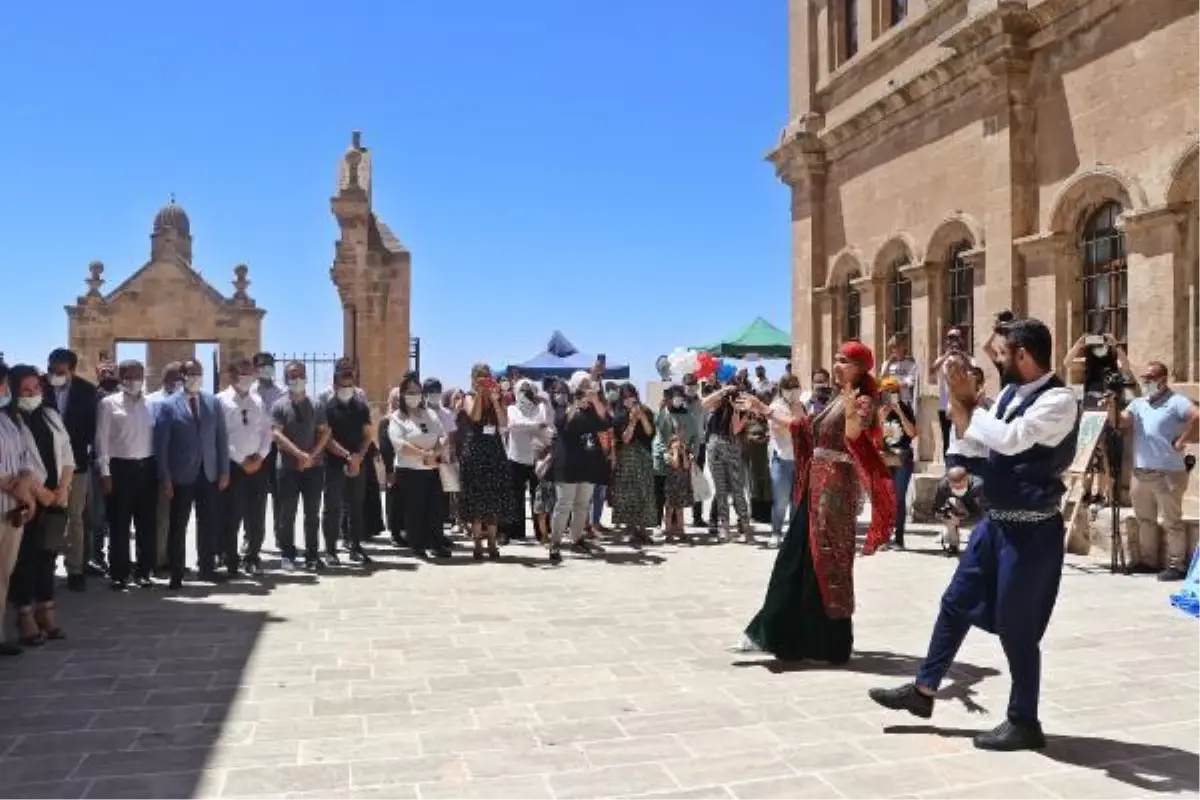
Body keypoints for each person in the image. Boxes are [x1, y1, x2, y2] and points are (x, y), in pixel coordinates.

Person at [869, 318, 1079, 752]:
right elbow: (978, 441)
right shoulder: (1006, 395)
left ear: (1022, 355)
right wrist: (959, 459)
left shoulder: (1059, 400)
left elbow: (1011, 439)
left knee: (1017, 627)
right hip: (995, 523)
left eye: (1001, 354)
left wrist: (968, 405)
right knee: (956, 601)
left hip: (1032, 530)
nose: (995, 360)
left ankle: (1024, 721)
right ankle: (924, 690)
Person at [731, 341, 896, 664]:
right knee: (797, 559)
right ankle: (785, 634)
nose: (836, 365)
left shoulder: (863, 399)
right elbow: (805, 427)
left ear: (861, 368)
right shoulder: (837, 398)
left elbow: (853, 435)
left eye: (844, 361)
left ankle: (826, 642)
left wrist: (850, 406)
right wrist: (764, 410)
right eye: (835, 359)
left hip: (834, 493)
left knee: (827, 562)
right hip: (815, 487)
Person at [1112, 360, 1200, 581]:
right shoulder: (1139, 403)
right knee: (1145, 519)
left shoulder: (1176, 402)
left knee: (1172, 521)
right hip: (1141, 472)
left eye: (1150, 378)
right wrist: (1110, 405)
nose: (1146, 382)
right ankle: (1148, 561)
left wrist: (1182, 441)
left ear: (1163, 380)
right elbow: (1120, 422)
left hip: (1168, 473)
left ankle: (1176, 565)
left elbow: (1197, 416)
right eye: (1144, 378)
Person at [8, 364, 74, 646]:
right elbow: (22, 464)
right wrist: (43, 493)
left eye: (36, 388)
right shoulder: (11, 421)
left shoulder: (50, 415)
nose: (32, 393)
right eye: (26, 389)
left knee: (48, 557)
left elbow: (67, 452)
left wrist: (63, 488)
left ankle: (46, 610)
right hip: (28, 499)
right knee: (25, 559)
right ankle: (24, 615)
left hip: (57, 497)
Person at [156, 359, 229, 587]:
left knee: (208, 523)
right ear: (182, 376)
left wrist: (224, 471)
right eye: (191, 373)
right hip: (181, 476)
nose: (195, 377)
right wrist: (165, 478)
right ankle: (176, 573)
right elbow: (162, 446)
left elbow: (221, 439)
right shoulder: (168, 405)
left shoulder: (213, 402)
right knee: (178, 526)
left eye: (199, 373)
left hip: (208, 474)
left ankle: (207, 568)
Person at [96, 360, 158, 590]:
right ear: (120, 377)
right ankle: (119, 573)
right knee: (119, 525)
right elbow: (101, 441)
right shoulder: (108, 404)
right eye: (128, 376)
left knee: (146, 525)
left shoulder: (151, 404)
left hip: (147, 469)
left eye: (137, 375)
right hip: (119, 470)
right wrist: (105, 473)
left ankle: (143, 571)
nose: (133, 380)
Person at [42, 348, 99, 592]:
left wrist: (72, 456)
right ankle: (45, 565)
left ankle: (75, 568)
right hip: (43, 466)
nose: (55, 375)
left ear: (72, 371)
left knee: (75, 517)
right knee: (48, 517)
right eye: (51, 370)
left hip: (76, 464)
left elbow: (90, 429)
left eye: (61, 372)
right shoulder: (39, 389)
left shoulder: (86, 391)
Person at [272, 361, 330, 571]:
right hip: (288, 468)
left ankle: (312, 555)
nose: (296, 380)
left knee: (312, 514)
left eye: (300, 375)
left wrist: (311, 456)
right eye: (291, 376)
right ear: (286, 379)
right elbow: (276, 434)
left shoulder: (316, 405)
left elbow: (325, 432)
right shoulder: (279, 405)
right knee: (287, 514)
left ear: (306, 377)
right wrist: (298, 454)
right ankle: (288, 554)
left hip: (314, 468)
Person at [549, 371, 612, 563]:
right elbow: (561, 424)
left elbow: (606, 423)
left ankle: (576, 539)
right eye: (583, 383)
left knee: (583, 504)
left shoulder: (592, 406)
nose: (587, 386)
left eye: (589, 383)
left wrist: (595, 400)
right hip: (567, 462)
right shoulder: (563, 403)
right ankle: (555, 542)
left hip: (588, 461)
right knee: (563, 504)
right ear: (575, 385)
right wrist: (576, 405)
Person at [217, 357, 273, 576]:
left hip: (257, 466)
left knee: (256, 515)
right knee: (232, 515)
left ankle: (252, 556)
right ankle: (230, 558)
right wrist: (241, 460)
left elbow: (267, 433)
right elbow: (219, 437)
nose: (249, 378)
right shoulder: (220, 401)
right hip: (234, 466)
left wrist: (260, 456)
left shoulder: (258, 401)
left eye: (251, 373)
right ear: (232, 376)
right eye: (244, 373)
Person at [388, 375, 452, 560]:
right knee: (414, 510)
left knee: (435, 508)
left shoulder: (429, 414)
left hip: (432, 469)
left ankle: (436, 544)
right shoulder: (397, 418)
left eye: (417, 392)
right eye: (410, 392)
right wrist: (425, 455)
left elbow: (442, 436)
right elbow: (400, 444)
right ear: (402, 395)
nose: (414, 396)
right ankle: (418, 545)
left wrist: (435, 454)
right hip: (409, 471)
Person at [320, 359, 374, 565]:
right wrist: (347, 456)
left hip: (357, 463)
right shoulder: (327, 407)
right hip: (334, 463)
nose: (347, 382)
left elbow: (368, 434)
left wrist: (359, 457)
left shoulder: (361, 407)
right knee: (332, 507)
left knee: (355, 506)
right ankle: (331, 550)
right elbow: (326, 438)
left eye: (350, 378)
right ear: (335, 380)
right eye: (343, 378)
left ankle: (356, 547)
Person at [459, 364, 510, 560]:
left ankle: (492, 542)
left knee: (494, 499)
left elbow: (504, 423)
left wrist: (496, 401)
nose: (483, 380)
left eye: (486, 377)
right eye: (479, 377)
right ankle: (478, 543)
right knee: (477, 500)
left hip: (494, 450)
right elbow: (475, 417)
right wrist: (480, 394)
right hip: (475, 451)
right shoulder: (468, 397)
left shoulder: (497, 396)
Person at [877, 376, 917, 550]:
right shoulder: (878, 411)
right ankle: (884, 536)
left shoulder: (906, 409)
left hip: (902, 458)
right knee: (885, 497)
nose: (890, 396)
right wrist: (880, 417)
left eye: (893, 392)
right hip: (884, 458)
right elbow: (873, 437)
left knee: (899, 497)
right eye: (886, 392)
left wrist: (899, 412)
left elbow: (912, 433)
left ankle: (898, 537)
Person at [932, 465, 985, 556]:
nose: (957, 489)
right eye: (954, 487)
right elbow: (936, 508)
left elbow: (983, 514)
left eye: (960, 486)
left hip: (977, 514)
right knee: (951, 508)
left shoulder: (978, 486)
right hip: (957, 513)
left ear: (966, 479)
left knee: (982, 528)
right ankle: (953, 545)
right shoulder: (943, 486)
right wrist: (944, 516)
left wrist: (961, 521)